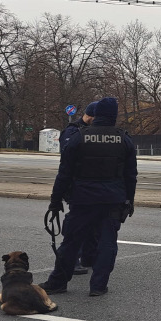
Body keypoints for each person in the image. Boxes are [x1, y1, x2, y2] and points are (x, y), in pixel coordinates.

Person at [40, 97, 137, 297]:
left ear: (96, 114)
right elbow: (130, 176)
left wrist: (55, 201)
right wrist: (129, 201)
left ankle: (58, 282)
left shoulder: (79, 137)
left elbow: (64, 174)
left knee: (71, 242)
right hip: (112, 200)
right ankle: (98, 286)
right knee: (107, 244)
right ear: (114, 116)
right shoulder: (124, 139)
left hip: (82, 199)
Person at [60, 100, 100, 276]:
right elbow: (68, 161)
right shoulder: (72, 131)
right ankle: (72, 260)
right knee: (77, 224)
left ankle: (88, 256)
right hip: (76, 185)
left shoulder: (93, 131)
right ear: (90, 116)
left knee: (93, 223)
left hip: (91, 185)